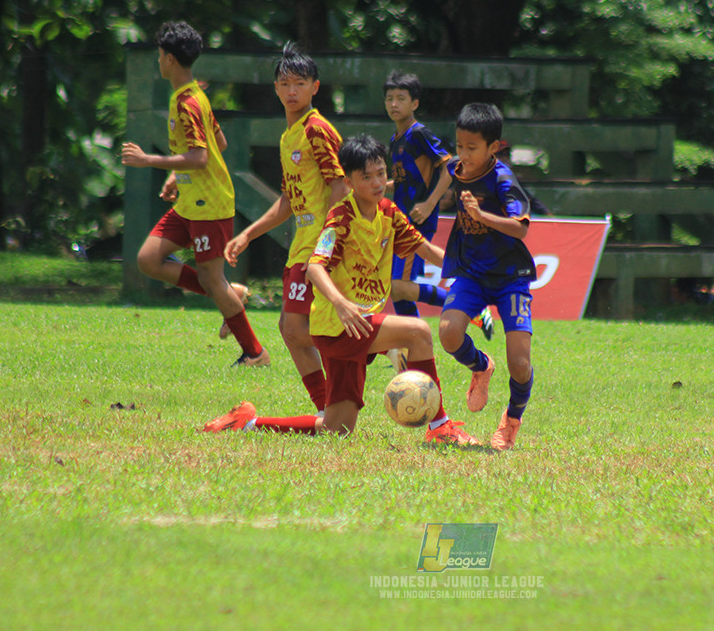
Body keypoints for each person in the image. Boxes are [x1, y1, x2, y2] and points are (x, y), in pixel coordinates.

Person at [205, 135, 481, 445]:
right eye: (367, 177)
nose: (377, 182)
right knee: (418, 332)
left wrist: (471, 275)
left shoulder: (388, 212)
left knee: (337, 429)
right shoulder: (342, 217)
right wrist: (339, 303)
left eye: (380, 173)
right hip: (339, 325)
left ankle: (247, 422)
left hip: (354, 325)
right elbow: (314, 267)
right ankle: (440, 428)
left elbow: (425, 249)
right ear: (348, 181)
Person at [121, 21, 265, 367]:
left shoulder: (189, 103)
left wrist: (148, 160)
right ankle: (234, 294)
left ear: (169, 59)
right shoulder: (191, 96)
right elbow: (219, 142)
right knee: (148, 260)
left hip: (209, 205)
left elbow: (201, 156)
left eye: (159, 56)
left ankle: (255, 353)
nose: (158, 61)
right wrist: (175, 173)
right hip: (190, 202)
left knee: (212, 279)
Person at [221, 42, 348, 416]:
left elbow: (341, 186)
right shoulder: (288, 136)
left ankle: (368, 346)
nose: (291, 91)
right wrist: (248, 234)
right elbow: (289, 200)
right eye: (284, 84)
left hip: (319, 245)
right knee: (291, 330)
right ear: (276, 88)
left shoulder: (316, 130)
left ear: (315, 87)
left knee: (294, 327)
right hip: (302, 243)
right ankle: (327, 408)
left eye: (299, 83)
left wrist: (331, 239)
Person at [438, 103, 537, 451]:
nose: (462, 154)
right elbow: (443, 170)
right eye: (459, 145)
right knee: (449, 335)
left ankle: (511, 420)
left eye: (471, 148)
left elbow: (521, 229)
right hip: (472, 272)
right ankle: (481, 366)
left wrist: (481, 216)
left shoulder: (503, 179)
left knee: (520, 364)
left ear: (493, 147)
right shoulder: (456, 166)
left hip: (511, 276)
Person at [382, 71, 493, 371]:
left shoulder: (418, 134)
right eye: (390, 98)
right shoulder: (396, 139)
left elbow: (451, 165)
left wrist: (430, 203)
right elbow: (409, 178)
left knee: (398, 286)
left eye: (401, 99)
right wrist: (382, 186)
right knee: (399, 291)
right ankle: (413, 355)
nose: (394, 104)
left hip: (417, 220)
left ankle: (471, 309)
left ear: (414, 103)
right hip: (401, 220)